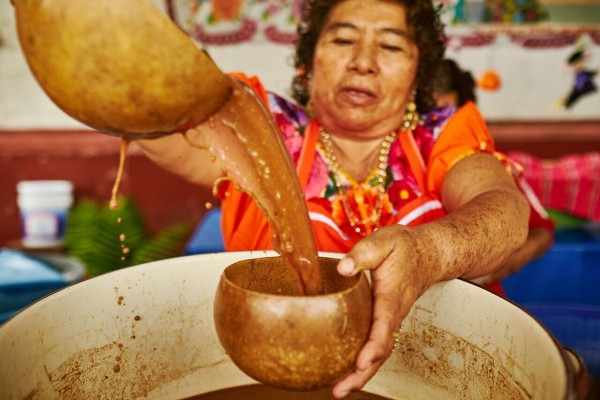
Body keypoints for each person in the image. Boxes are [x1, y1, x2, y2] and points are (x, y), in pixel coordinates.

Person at [137, 0, 530, 397]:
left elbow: (506, 212)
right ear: (308, 64)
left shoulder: (443, 135)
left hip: (436, 375)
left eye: (391, 47)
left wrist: (428, 250)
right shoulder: (258, 129)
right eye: (344, 40)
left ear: (417, 75)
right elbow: (158, 118)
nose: (363, 61)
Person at [429, 58, 555, 290]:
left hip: (478, 301)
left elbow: (542, 232)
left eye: (437, 112)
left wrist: (497, 266)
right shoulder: (398, 163)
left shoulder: (489, 163)